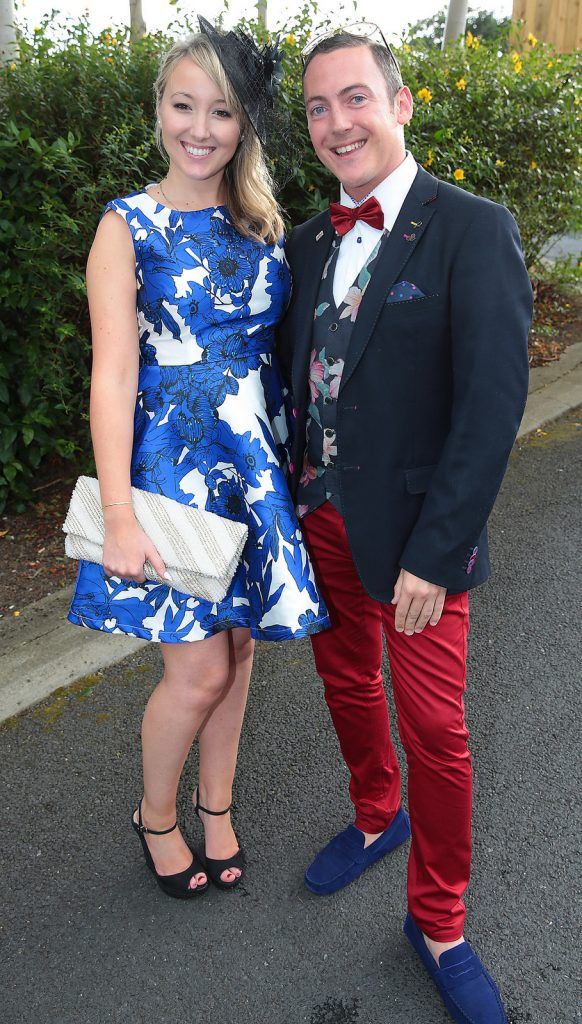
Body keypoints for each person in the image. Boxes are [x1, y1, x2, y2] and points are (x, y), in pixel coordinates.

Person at [277, 24, 532, 1023]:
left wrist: (439, 549)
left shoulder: (472, 226)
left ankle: (439, 921)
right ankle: (376, 814)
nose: (336, 123)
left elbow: (492, 404)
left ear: (401, 103)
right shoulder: (306, 240)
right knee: (344, 679)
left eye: (354, 98)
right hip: (322, 521)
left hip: (421, 544)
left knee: (437, 732)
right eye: (316, 107)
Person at [68, 20, 329, 901]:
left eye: (222, 110)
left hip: (251, 462)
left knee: (241, 648)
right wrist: (119, 515)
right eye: (185, 104)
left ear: (245, 124)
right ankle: (156, 814)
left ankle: (216, 806)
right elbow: (111, 376)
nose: (200, 127)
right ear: (160, 110)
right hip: (167, 468)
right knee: (198, 666)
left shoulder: (259, 221)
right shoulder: (125, 226)